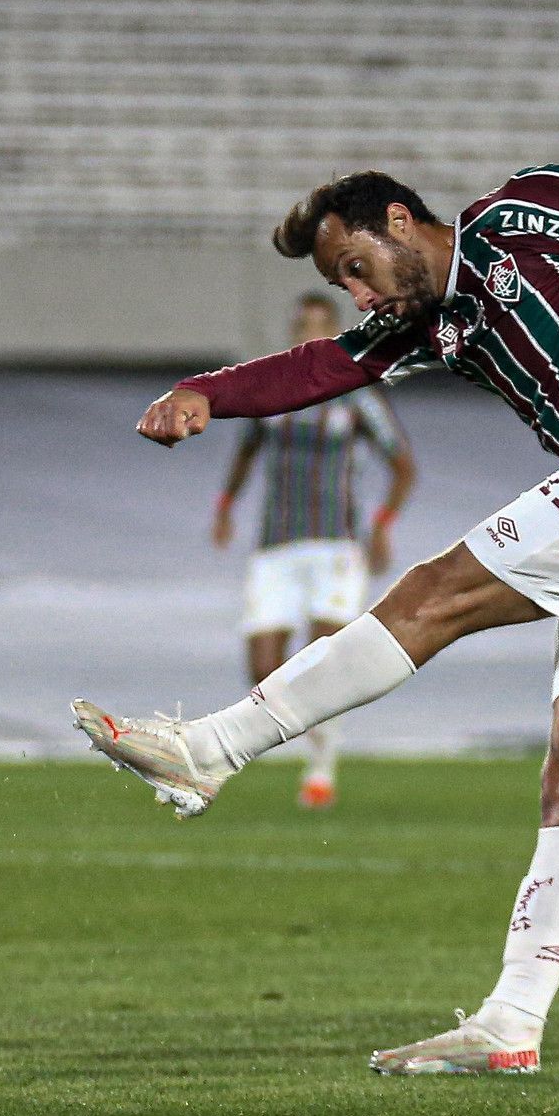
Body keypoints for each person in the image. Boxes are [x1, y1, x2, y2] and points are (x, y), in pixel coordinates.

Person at [71, 165, 559, 1073]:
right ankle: (513, 1021)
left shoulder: (522, 208)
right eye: (338, 284)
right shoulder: (425, 321)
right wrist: (208, 391)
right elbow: (326, 366)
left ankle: (214, 749)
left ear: (398, 220)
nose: (355, 291)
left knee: (435, 593)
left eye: (354, 265)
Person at [213, 293, 415, 808]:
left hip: (336, 543)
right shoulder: (269, 391)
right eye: (302, 326)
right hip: (275, 544)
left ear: (333, 333)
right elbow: (245, 453)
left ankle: (321, 766)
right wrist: (225, 505)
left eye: (319, 327)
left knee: (322, 660)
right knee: (262, 668)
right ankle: (290, 746)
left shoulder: (356, 395)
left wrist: (383, 524)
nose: (309, 335)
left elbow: (402, 464)